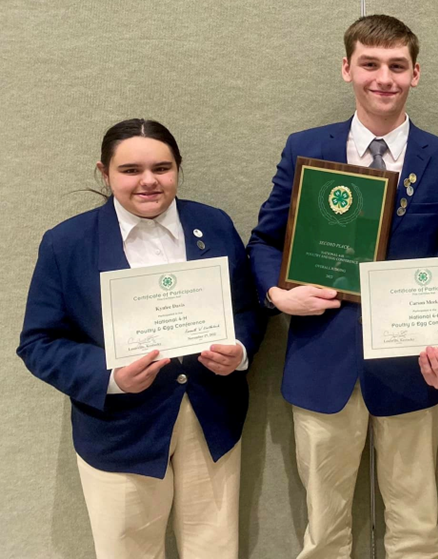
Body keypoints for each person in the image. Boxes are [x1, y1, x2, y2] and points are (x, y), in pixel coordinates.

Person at [247, 14, 438, 559]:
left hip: (412, 364)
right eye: (369, 64)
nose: (383, 78)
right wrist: (278, 296)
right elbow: (264, 242)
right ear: (346, 67)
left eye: (397, 66)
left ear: (416, 73)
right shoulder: (306, 147)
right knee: (323, 529)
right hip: (323, 360)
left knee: (416, 524)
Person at [17, 118, 263, 559]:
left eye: (162, 168)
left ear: (178, 169)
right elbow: (38, 342)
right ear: (104, 173)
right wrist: (111, 377)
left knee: (215, 549)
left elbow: (246, 309)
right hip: (120, 430)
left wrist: (240, 350)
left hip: (211, 420)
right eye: (130, 170)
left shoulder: (214, 224)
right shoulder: (66, 243)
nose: (149, 181)